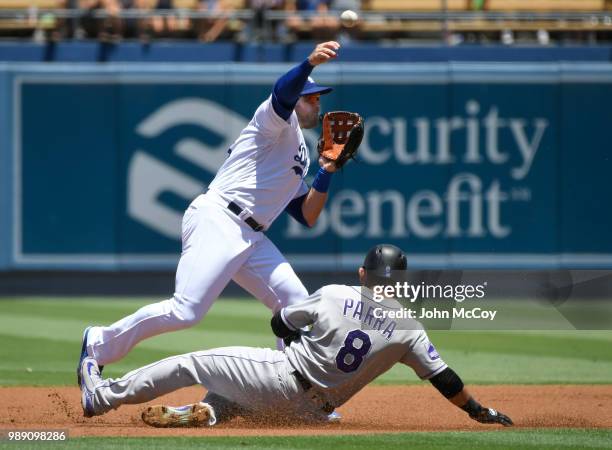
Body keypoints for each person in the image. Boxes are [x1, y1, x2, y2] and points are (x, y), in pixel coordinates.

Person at [77, 41, 345, 385]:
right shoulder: (274, 122)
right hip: (219, 218)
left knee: (296, 304)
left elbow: (307, 215)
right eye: (311, 98)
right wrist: (308, 64)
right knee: (186, 311)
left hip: (251, 236)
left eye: (318, 99)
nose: (317, 104)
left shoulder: (300, 154)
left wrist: (326, 172)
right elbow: (282, 91)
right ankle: (99, 343)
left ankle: (290, 388)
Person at [79, 244, 514, 428]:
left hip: (284, 375)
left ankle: (102, 396)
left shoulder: (337, 293)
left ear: (363, 273)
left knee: (192, 362)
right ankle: (207, 415)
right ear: (399, 281)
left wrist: (299, 332)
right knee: (240, 397)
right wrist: (478, 411)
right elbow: (445, 379)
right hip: (313, 412)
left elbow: (281, 323)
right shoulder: (410, 329)